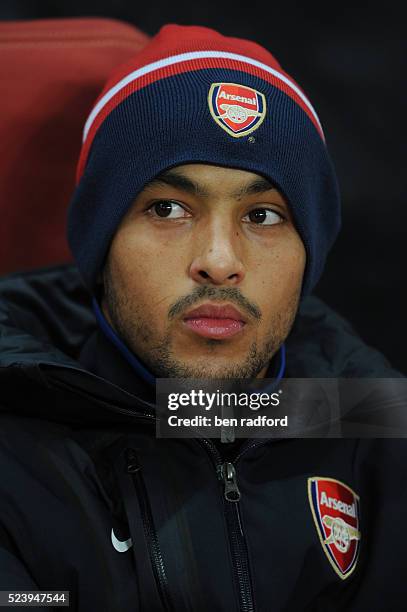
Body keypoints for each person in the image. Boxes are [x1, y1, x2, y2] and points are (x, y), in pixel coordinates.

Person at [0, 23, 405, 612]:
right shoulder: (15, 450)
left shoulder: (375, 428)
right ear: (101, 245)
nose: (219, 261)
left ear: (308, 257)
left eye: (263, 215)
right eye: (168, 209)